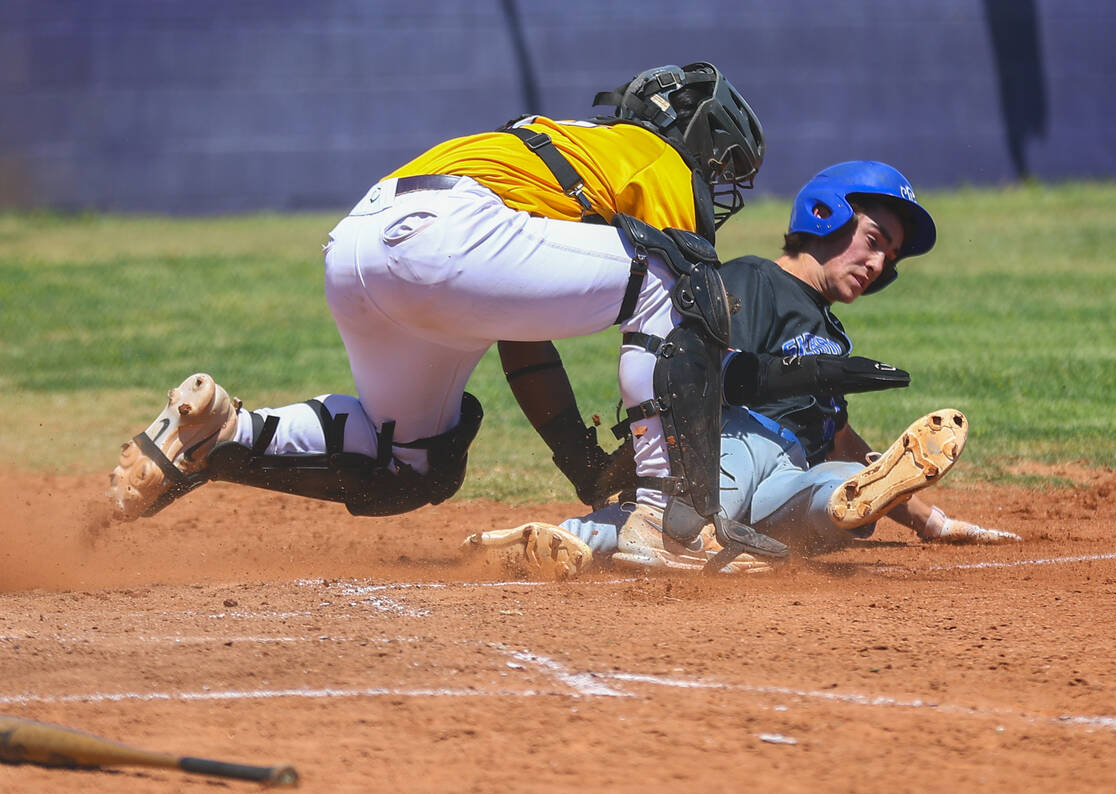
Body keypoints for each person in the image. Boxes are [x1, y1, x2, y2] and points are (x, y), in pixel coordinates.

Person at [109, 62, 898, 568]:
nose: (717, 182)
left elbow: (524, 340)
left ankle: (221, 434)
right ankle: (672, 521)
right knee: (685, 280)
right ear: (691, 134)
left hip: (361, 243)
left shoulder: (571, 150)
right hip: (451, 240)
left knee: (411, 462)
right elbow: (698, 319)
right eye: (721, 161)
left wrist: (586, 468)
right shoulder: (653, 158)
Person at [463, 160, 1020, 579]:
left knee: (837, 493)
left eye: (889, 258)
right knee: (677, 526)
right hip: (735, 442)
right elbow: (705, 371)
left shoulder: (831, 333)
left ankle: (850, 500)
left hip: (791, 468)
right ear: (826, 215)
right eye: (874, 241)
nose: (877, 265)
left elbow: (840, 437)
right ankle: (564, 538)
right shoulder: (755, 280)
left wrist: (931, 520)